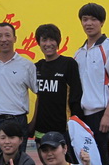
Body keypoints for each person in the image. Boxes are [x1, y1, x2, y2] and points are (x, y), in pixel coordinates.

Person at [74, 3, 109, 165]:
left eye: (93, 19)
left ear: (102, 22)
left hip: (104, 114)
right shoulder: (79, 53)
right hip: (84, 116)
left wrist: (108, 114)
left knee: (108, 160)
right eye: (85, 19)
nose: (89, 23)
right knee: (89, 162)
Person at [0, 22, 37, 156]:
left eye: (7, 35)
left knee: (16, 163)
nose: (3, 39)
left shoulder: (26, 65)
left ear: (15, 38)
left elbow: (39, 93)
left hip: (17, 121)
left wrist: (34, 122)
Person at [30, 24, 83, 152]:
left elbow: (76, 96)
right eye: (44, 40)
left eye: (52, 40)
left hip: (63, 130)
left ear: (58, 42)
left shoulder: (68, 64)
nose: (48, 44)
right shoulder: (36, 67)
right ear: (38, 43)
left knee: (65, 162)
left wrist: (76, 127)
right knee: (46, 162)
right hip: (41, 129)